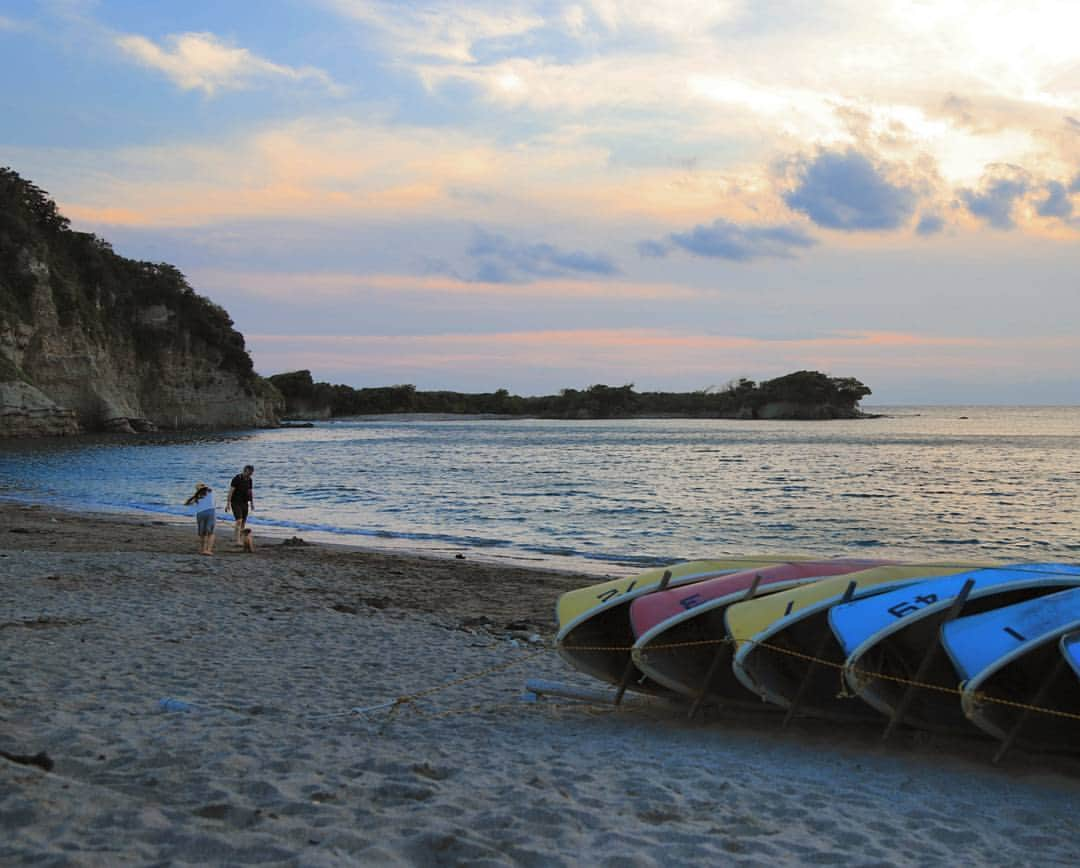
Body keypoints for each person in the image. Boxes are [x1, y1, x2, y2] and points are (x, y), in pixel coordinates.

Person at [184, 482, 216, 556]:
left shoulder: (197, 496)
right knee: (211, 533)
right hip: (210, 512)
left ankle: (203, 550)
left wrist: (195, 496)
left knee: (203, 533)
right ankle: (209, 550)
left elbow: (187, 503)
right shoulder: (210, 491)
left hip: (200, 514)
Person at [226, 464, 255, 544]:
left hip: (245, 502)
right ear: (245, 471)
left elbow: (250, 491)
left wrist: (252, 503)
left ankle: (241, 539)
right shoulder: (237, 478)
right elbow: (231, 491)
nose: (250, 475)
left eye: (251, 473)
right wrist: (228, 503)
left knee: (243, 522)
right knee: (239, 520)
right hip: (235, 502)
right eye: (249, 473)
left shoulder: (250, 480)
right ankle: (237, 540)